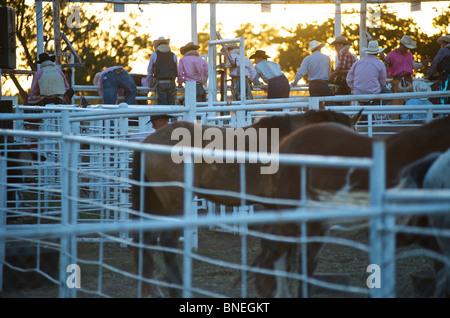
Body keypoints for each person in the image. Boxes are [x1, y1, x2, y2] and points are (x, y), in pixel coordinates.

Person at [385, 35, 431, 105]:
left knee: (410, 102)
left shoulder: (409, 55)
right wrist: (384, 81)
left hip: (408, 80)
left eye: (407, 48)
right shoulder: (391, 55)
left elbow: (414, 66)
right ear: (400, 44)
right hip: (397, 81)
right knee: (396, 102)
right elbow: (386, 69)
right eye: (405, 47)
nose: (406, 49)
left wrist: (422, 64)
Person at [146, 36, 178, 128]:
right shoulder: (173, 55)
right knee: (173, 105)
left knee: (161, 106)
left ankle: (163, 127)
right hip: (171, 83)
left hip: (160, 83)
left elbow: (150, 71)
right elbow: (177, 70)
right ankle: (174, 126)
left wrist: (150, 83)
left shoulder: (154, 55)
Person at [346, 40, 389, 105]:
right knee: (389, 94)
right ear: (377, 53)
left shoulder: (358, 62)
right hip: (373, 93)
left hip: (358, 93)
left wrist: (355, 87)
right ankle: (378, 110)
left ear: (368, 52)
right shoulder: (380, 64)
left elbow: (349, 79)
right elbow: (382, 82)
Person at [427, 34, 450, 105]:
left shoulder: (443, 51)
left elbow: (435, 63)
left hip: (445, 76)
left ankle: (442, 113)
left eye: (442, 42)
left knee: (442, 94)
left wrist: (429, 75)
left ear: (445, 43)